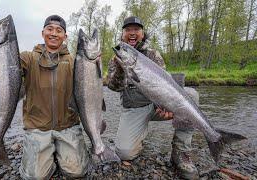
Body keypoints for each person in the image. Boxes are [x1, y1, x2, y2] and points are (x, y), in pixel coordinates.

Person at [107, 16, 200, 179]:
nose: (132, 33)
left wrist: (166, 107)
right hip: (134, 109)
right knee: (124, 153)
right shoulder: (116, 57)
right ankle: (139, 133)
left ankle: (181, 152)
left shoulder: (153, 54)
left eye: (136, 29)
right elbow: (114, 87)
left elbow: (165, 86)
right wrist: (122, 69)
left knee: (191, 94)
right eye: (128, 30)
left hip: (157, 106)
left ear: (142, 33)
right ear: (123, 34)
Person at [18, 15, 89, 179]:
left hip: (67, 125)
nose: (54, 34)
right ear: (42, 32)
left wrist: (93, 64)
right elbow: (3, 65)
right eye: (50, 29)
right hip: (37, 126)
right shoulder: (28, 58)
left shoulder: (74, 61)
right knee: (35, 177)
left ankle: (59, 152)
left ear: (65, 36)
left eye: (59, 30)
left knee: (77, 172)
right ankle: (47, 156)